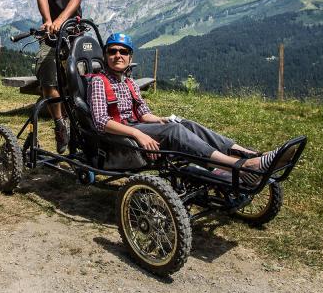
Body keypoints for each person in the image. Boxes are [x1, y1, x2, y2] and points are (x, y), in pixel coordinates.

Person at [87, 33, 276, 185]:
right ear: (105, 55)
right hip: (120, 137)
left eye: (123, 51)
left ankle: (249, 154)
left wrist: (160, 119)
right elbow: (101, 122)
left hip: (136, 126)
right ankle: (241, 166)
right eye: (112, 51)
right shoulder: (98, 81)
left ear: (130, 57)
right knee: (174, 130)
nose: (118, 55)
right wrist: (139, 135)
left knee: (185, 124)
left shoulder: (129, 82)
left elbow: (144, 113)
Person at [32, 0, 89, 152]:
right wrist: (48, 21)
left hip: (75, 30)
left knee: (82, 78)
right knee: (47, 74)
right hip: (51, 32)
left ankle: (83, 123)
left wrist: (59, 21)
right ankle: (59, 123)